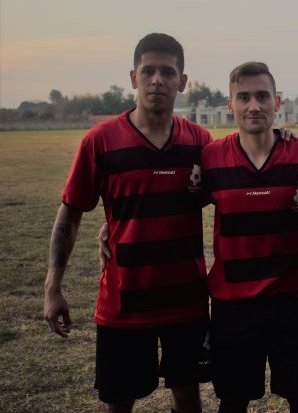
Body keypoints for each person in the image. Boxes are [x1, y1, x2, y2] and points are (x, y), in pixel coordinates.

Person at [44, 33, 211, 413]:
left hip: (186, 301)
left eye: (168, 72)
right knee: (119, 401)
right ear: (133, 78)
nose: (157, 80)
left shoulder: (201, 143)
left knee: (188, 395)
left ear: (182, 82)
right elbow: (70, 213)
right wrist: (52, 287)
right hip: (123, 303)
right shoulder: (100, 142)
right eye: (148, 71)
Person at [200, 62, 298, 413]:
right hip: (233, 304)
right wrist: (110, 225)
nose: (253, 106)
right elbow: (177, 203)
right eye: (243, 97)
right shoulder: (211, 158)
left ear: (277, 102)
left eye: (262, 96)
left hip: (292, 300)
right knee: (233, 401)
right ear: (230, 105)